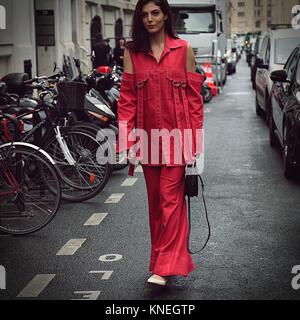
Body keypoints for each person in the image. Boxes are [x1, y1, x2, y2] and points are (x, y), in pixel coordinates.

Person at [116, 0, 204, 286]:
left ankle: (164, 268)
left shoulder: (184, 50)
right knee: (156, 205)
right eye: (144, 15)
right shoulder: (132, 52)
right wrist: (125, 140)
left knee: (170, 201)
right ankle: (160, 262)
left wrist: (196, 145)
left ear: (166, 15)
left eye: (155, 13)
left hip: (177, 140)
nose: (149, 19)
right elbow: (127, 99)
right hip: (148, 141)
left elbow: (194, 100)